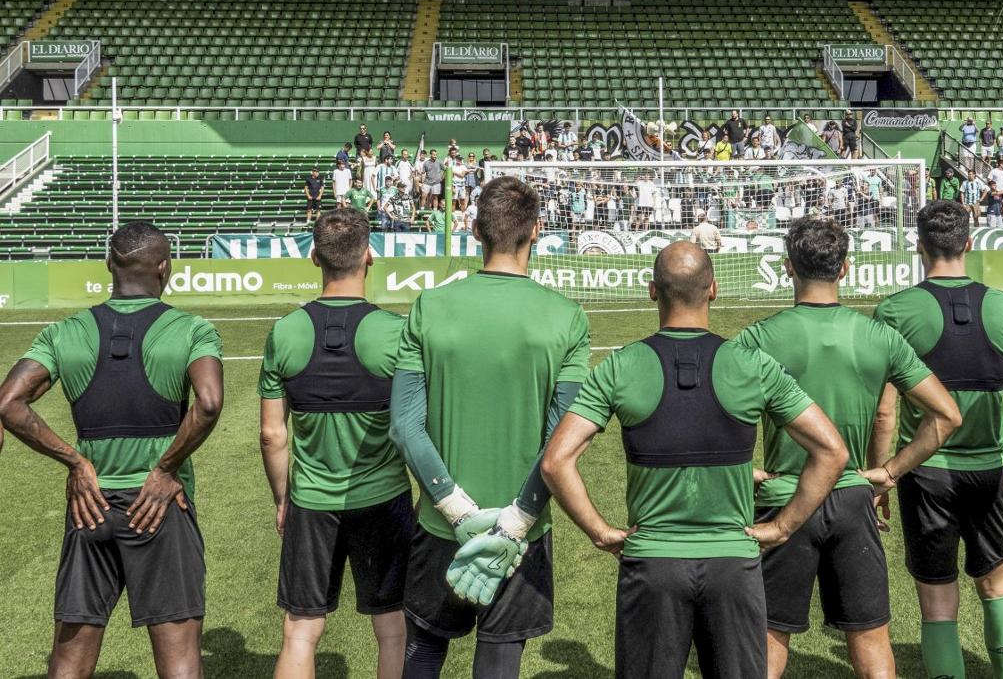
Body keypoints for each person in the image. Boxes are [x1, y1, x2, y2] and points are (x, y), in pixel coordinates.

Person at [540, 241, 848, 679]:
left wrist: (601, 531)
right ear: (714, 290)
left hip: (651, 565)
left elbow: (556, 461)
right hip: (734, 565)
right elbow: (832, 451)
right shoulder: (751, 364)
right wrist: (782, 527)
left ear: (651, 291)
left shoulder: (619, 365)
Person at [735, 217, 961, 679]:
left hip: (786, 498)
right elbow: (947, 416)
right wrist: (890, 471)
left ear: (787, 268)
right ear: (845, 270)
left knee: (770, 636)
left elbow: (714, 420)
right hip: (853, 496)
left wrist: (744, 474)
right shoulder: (879, 336)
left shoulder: (757, 339)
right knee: (870, 636)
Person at [0, 221, 224, 678]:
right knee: (180, 660)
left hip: (91, 507)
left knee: (68, 660)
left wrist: (75, 460)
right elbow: (208, 402)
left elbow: (9, 403)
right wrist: (165, 469)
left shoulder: (64, 332)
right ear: (165, 268)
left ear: (108, 265)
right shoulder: (192, 329)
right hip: (159, 508)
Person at [388, 176, 590, 679]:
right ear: (537, 230)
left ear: (475, 231)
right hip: (523, 531)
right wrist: (519, 519)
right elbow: (560, 439)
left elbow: (404, 425)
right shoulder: (566, 317)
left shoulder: (429, 307)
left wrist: (455, 509)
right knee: (499, 659)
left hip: (440, 524)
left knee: (425, 651)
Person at [874, 200, 1003, 679]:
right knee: (996, 584)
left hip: (923, 472)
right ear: (969, 243)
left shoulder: (895, 310)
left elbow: (884, 411)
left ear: (919, 247)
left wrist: (883, 474)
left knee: (937, 599)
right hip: (986, 469)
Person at [258, 209, 411, 679]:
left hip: (311, 502)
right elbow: (415, 427)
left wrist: (284, 497)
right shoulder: (396, 333)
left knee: (301, 629)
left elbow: (271, 433)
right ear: (370, 256)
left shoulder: (284, 332)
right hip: (384, 499)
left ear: (313, 257)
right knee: (392, 630)